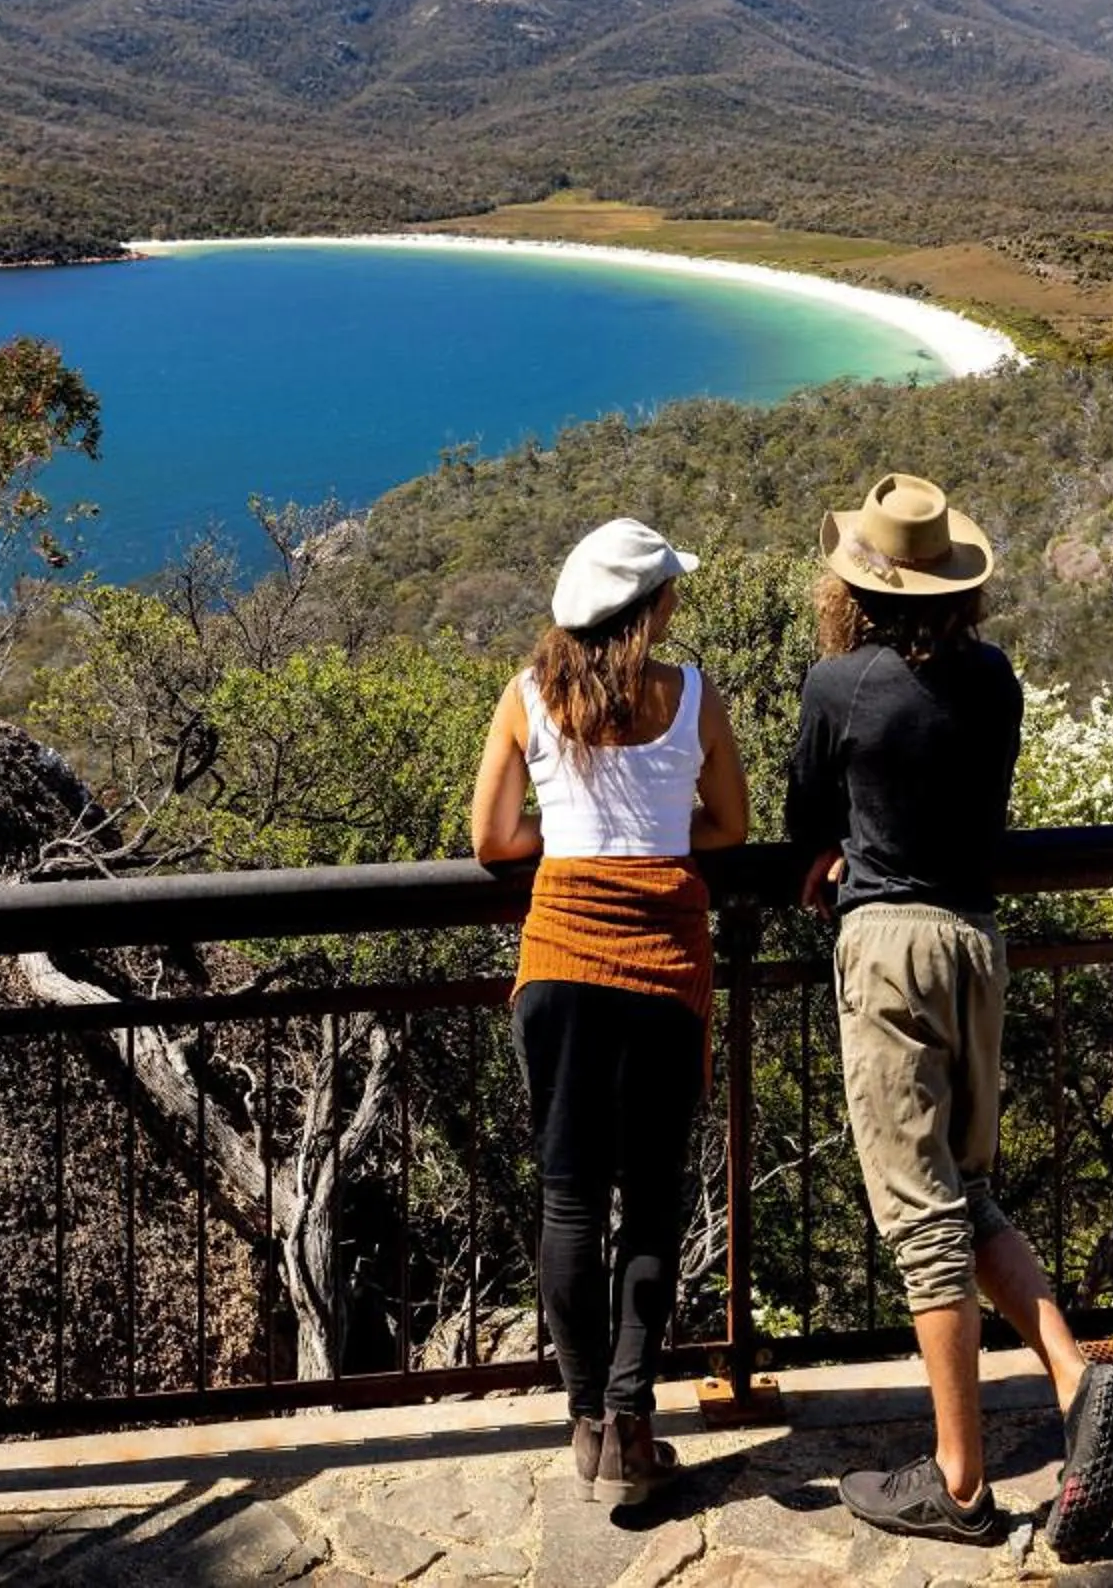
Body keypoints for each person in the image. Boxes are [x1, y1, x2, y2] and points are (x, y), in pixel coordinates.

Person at [785, 472, 1113, 1559]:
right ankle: (1077, 1380)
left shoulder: (839, 686)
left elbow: (806, 821)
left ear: (862, 586)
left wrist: (834, 853)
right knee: (963, 1192)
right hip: (975, 943)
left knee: (920, 1219)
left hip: (886, 946)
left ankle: (960, 1483)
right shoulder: (996, 682)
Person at [471, 515, 749, 1507]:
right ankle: (633, 1419)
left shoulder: (526, 697)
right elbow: (731, 825)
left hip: (556, 968)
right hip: (664, 969)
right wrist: (653, 824)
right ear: (648, 608)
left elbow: (493, 839)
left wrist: (571, 829)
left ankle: (586, 1419)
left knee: (568, 1196)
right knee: (652, 1194)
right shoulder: (692, 697)